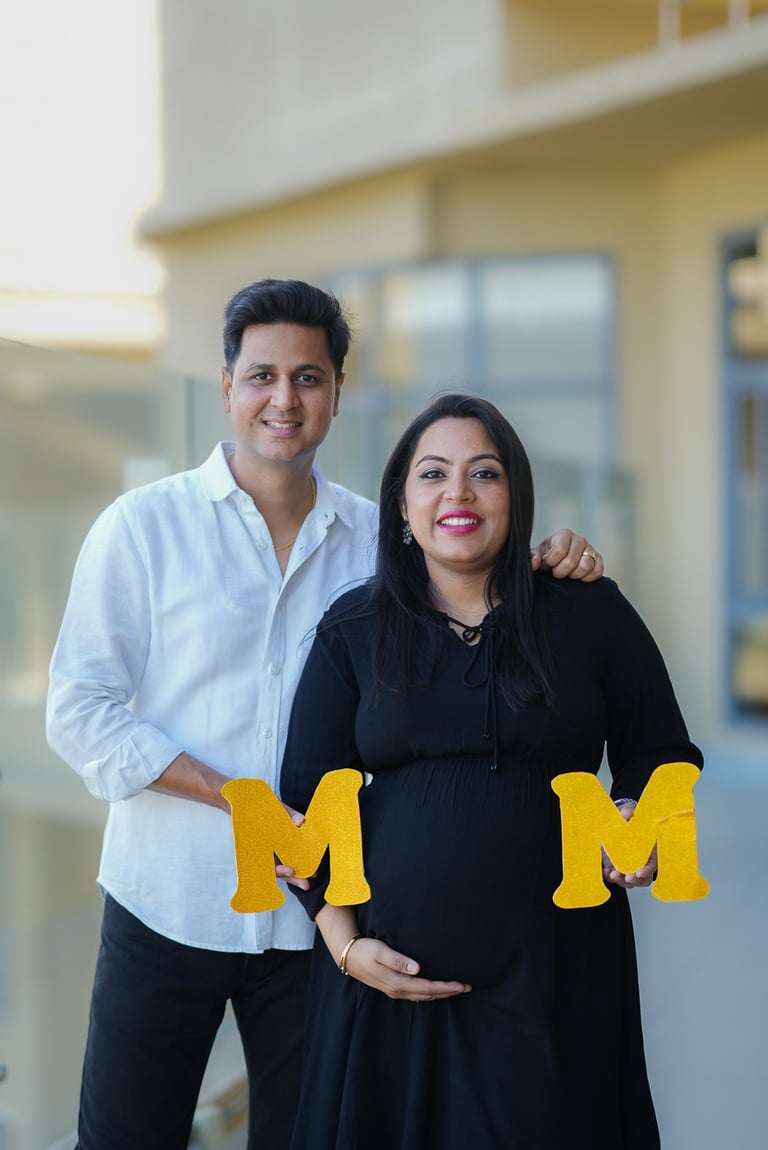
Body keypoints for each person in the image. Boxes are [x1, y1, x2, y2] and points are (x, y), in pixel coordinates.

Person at [45, 281, 604, 1150]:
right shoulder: (142, 528)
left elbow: (474, 582)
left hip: (318, 928)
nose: (285, 398)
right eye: (262, 376)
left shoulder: (384, 545)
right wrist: (236, 798)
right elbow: (78, 710)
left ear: (337, 393)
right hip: (166, 903)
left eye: (308, 378)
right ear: (226, 387)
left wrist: (552, 558)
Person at [280, 392, 703, 1150]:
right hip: (389, 991)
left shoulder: (590, 613)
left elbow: (662, 754)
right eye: (433, 474)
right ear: (401, 503)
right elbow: (304, 809)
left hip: (558, 979)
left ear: (517, 495)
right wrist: (346, 950)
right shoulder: (354, 628)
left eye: (484, 472)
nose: (459, 493)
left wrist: (642, 824)